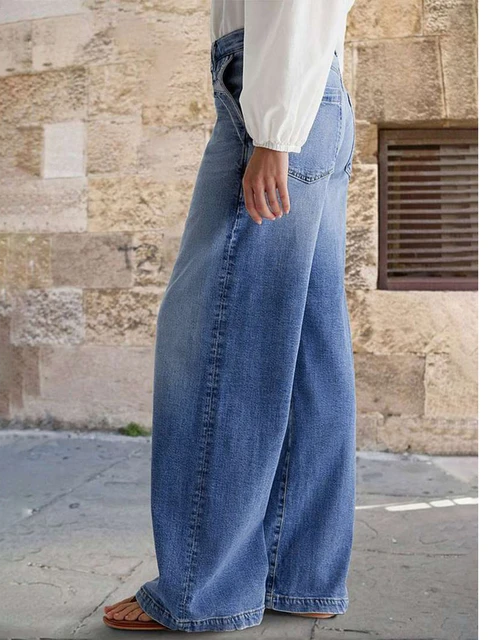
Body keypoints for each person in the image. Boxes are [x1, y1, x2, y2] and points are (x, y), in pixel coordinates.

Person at [103, 0, 358, 632]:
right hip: (310, 90)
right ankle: (303, 576)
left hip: (274, 99)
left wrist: (273, 133)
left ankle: (204, 591)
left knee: (216, 346)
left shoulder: (273, 118)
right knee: (309, 353)